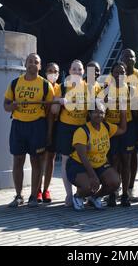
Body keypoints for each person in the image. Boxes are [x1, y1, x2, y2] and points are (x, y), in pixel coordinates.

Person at [4, 53, 55, 208]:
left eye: (36, 62)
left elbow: (50, 114)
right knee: (18, 160)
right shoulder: (15, 83)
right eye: (30, 61)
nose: (33, 64)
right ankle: (19, 196)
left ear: (40, 66)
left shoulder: (46, 85)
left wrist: (49, 133)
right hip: (19, 125)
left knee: (36, 161)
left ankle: (34, 196)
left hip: (37, 126)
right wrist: (11, 106)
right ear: (25, 64)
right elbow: (5, 105)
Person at [67, 102, 127, 211]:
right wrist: (93, 176)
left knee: (115, 182)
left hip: (99, 164)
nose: (99, 115)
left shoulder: (106, 127)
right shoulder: (82, 131)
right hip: (79, 164)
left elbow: (122, 129)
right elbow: (83, 157)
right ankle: (78, 196)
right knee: (89, 186)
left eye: (101, 113)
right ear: (89, 114)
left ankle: (95, 198)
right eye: (95, 112)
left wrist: (123, 112)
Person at [52, 60, 91, 207]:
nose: (77, 72)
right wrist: (59, 101)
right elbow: (54, 111)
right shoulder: (62, 87)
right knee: (66, 161)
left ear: (83, 72)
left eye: (79, 69)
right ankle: (68, 194)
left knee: (83, 161)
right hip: (66, 128)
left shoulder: (89, 88)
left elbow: (96, 108)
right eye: (74, 69)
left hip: (82, 129)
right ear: (69, 71)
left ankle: (81, 192)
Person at [104, 62, 136, 207]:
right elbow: (100, 111)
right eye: (116, 72)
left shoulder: (131, 90)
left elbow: (136, 114)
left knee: (126, 161)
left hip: (127, 128)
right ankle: (112, 193)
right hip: (111, 129)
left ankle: (125, 195)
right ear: (112, 74)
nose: (119, 75)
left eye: (122, 72)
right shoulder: (105, 90)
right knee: (113, 161)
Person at [120, 48, 138, 203]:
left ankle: (130, 188)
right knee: (118, 156)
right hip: (118, 119)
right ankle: (117, 188)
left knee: (133, 154)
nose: (128, 59)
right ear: (121, 58)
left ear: (135, 59)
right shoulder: (116, 75)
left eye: (131, 56)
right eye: (125, 56)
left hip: (137, 121)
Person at [37, 62, 61, 203]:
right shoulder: (41, 85)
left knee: (51, 158)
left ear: (59, 74)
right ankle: (38, 189)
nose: (52, 73)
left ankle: (46, 189)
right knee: (40, 158)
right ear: (45, 72)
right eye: (50, 70)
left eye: (55, 71)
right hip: (40, 123)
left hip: (56, 124)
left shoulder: (60, 88)